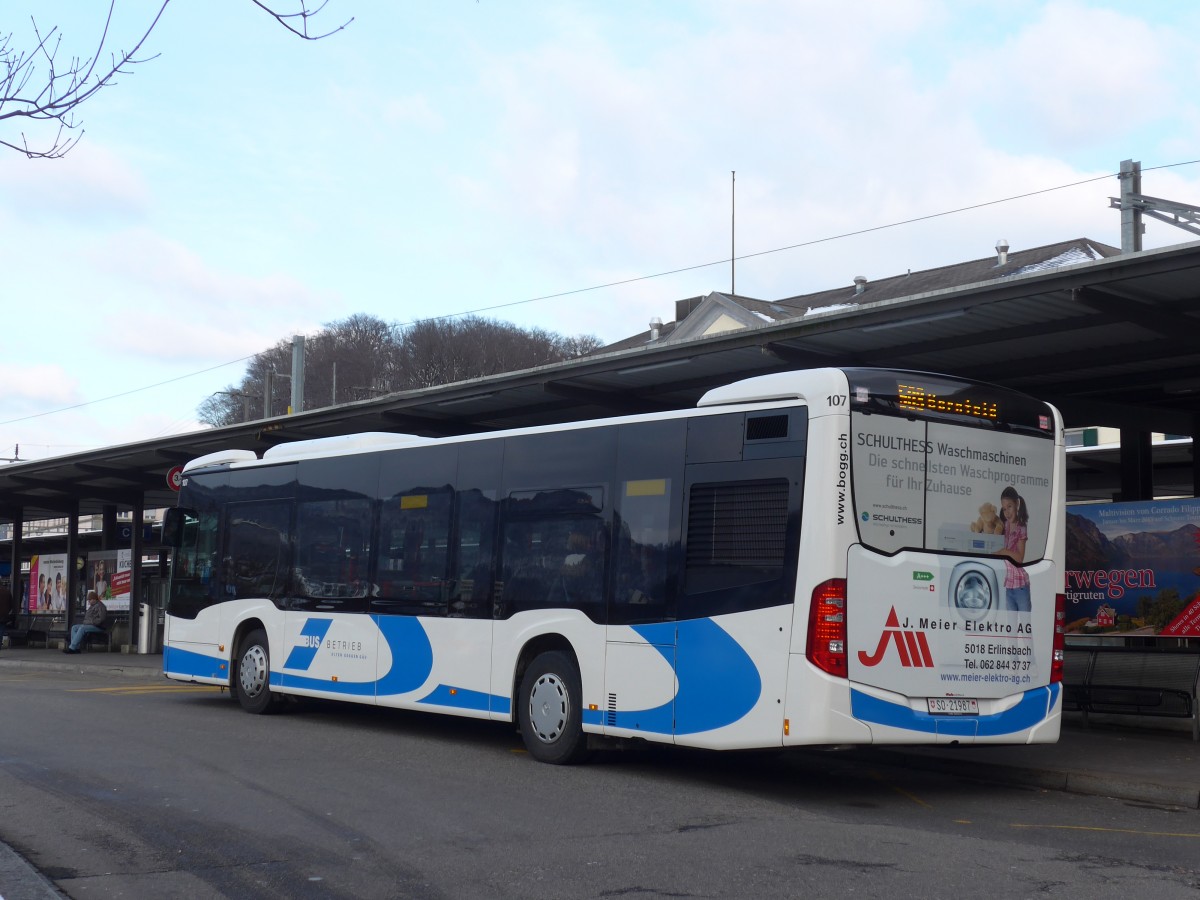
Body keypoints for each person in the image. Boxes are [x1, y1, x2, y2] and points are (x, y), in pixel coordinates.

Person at [998, 485, 1030, 611]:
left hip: (1020, 585)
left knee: (1025, 620)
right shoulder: (1002, 526)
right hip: (1008, 584)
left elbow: (1020, 558)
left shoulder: (1021, 527)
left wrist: (1004, 552)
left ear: (1017, 503)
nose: (1007, 512)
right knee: (1010, 622)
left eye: (1009, 506)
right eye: (1004, 509)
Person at [63, 590, 107, 654]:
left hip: (98, 626)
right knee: (74, 627)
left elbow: (101, 618)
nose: (89, 601)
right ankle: (76, 648)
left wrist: (92, 622)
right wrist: (87, 622)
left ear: (94, 599)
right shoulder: (92, 606)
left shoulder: (101, 606)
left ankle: (72, 648)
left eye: (90, 600)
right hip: (89, 624)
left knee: (82, 628)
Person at [0, 580, 13, 652]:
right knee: (1, 632)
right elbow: (11, 605)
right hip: (4, 616)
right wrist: (6, 611)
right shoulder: (7, 592)